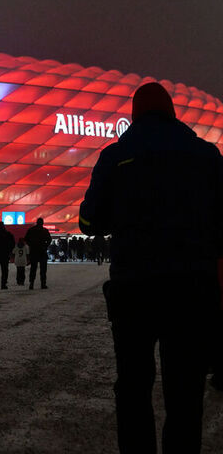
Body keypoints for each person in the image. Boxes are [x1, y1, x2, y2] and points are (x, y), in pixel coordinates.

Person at [79, 82, 223, 453]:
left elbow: (89, 221)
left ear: (134, 114)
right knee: (185, 389)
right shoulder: (206, 155)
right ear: (173, 112)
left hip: (134, 287)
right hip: (192, 287)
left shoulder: (116, 155)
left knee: (133, 387)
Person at [25, 217, 51, 289]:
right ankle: (43, 283)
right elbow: (49, 239)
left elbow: (26, 239)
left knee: (33, 268)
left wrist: (31, 245)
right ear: (42, 223)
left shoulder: (31, 230)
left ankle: (31, 283)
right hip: (42, 251)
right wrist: (45, 246)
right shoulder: (44, 230)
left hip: (34, 251)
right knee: (43, 269)